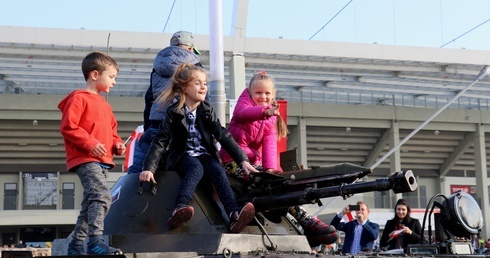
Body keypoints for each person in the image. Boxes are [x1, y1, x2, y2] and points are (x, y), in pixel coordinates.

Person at [218, 70, 338, 249]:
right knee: (261, 182)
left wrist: (270, 169)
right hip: (231, 160)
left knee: (278, 184)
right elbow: (244, 114)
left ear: (273, 94)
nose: (263, 96)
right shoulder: (245, 105)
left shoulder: (270, 119)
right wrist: (266, 112)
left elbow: (270, 145)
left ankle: (308, 222)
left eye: (267, 93)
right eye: (258, 93)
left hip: (252, 163)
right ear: (249, 93)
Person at [139, 63, 258, 233]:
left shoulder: (207, 110)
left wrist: (242, 160)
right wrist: (149, 168)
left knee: (217, 171)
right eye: (197, 83)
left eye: (205, 83)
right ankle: (180, 206)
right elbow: (160, 140)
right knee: (196, 168)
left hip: (205, 154)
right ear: (185, 88)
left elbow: (222, 135)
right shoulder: (174, 112)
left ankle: (234, 214)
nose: (203, 87)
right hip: (182, 156)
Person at [58, 52, 126, 255]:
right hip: (86, 159)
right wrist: (89, 143)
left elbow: (112, 133)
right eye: (112, 76)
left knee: (90, 204)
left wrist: (117, 145)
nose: (114, 82)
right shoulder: (78, 98)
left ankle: (76, 245)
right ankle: (96, 241)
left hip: (102, 161)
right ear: (95, 74)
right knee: (102, 196)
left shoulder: (106, 106)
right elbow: (68, 127)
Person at [127, 30, 202, 174]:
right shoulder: (194, 66)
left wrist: (150, 125)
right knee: (183, 168)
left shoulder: (158, 66)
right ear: (191, 49)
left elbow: (149, 98)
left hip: (157, 122)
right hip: (182, 124)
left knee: (147, 164)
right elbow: (201, 98)